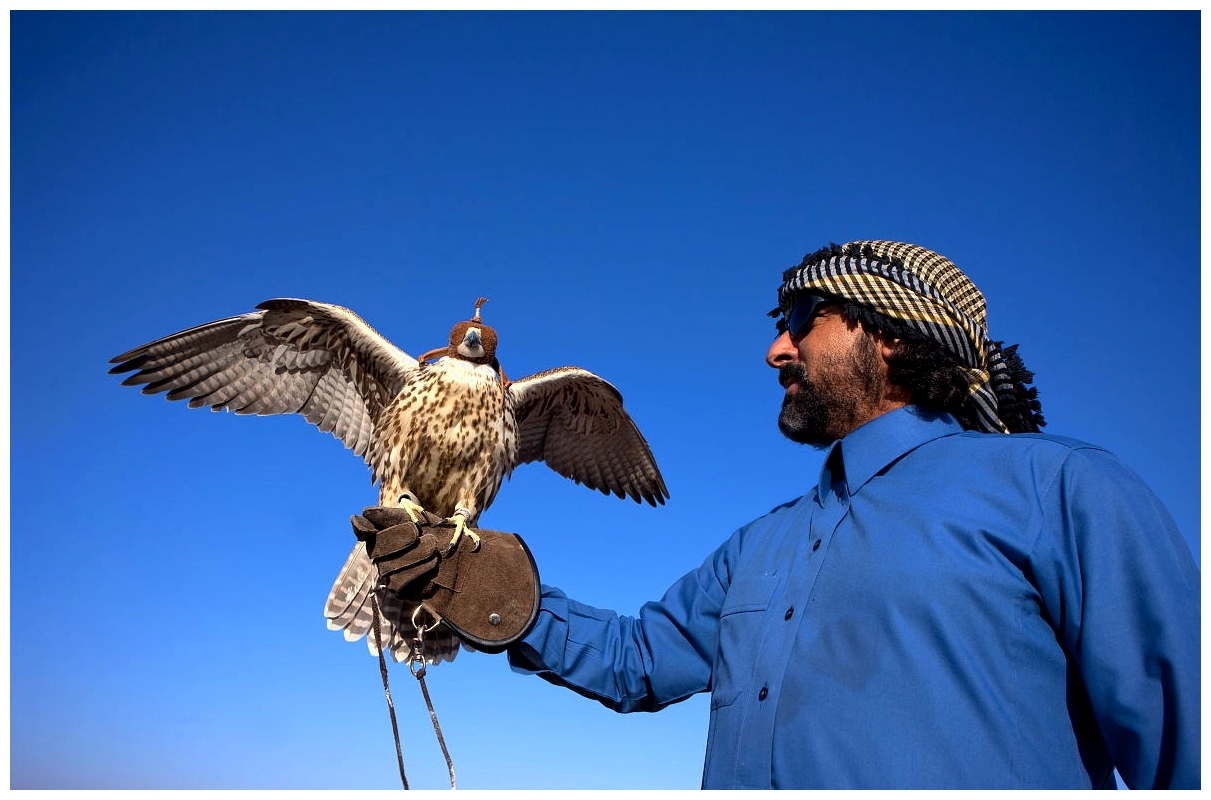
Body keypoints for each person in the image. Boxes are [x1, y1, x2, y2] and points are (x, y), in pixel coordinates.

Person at [361, 240, 1200, 789]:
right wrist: (481, 585)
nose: (775, 348)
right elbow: (638, 660)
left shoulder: (1057, 490)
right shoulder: (760, 546)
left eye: (800, 322)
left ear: (893, 336)